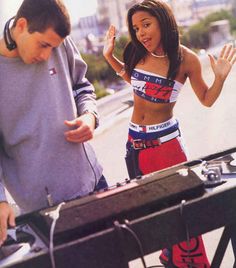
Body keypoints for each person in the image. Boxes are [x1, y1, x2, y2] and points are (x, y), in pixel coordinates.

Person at [103, 0, 236, 267]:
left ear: (163, 21)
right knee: (156, 216)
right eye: (136, 27)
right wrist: (108, 56)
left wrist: (219, 78)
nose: (141, 32)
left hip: (166, 148)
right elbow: (135, 81)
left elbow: (207, 99)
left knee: (183, 215)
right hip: (135, 147)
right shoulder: (136, 51)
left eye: (146, 24)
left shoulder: (185, 58)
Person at [0, 0, 107, 245]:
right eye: (43, 45)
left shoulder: (59, 41)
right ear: (21, 25)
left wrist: (89, 116)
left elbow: (82, 86)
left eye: (53, 47)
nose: (47, 55)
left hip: (94, 185)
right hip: (43, 212)